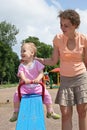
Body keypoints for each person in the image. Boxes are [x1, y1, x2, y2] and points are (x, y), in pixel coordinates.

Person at [35, 9, 87, 130]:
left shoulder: (83, 39)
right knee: (65, 113)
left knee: (82, 111)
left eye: (66, 26)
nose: (62, 28)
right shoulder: (58, 39)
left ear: (75, 25)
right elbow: (53, 60)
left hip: (81, 77)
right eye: (61, 25)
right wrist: (39, 59)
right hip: (65, 79)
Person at [10, 42, 60, 122]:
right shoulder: (21, 65)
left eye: (24, 51)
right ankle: (16, 112)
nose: (22, 53)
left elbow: (41, 73)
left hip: (37, 87)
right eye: (21, 51)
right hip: (25, 88)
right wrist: (25, 79)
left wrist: (37, 78)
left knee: (47, 94)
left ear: (32, 53)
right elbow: (21, 73)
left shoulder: (36, 63)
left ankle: (50, 111)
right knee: (16, 95)